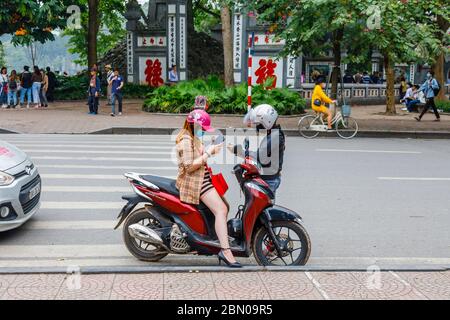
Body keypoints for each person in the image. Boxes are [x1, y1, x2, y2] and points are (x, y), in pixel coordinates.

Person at [175, 110, 241, 268]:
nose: (203, 130)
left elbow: (200, 156)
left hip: (203, 178)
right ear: (193, 124)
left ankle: (216, 238)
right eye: (202, 127)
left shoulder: (193, 137)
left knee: (225, 206)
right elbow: (190, 166)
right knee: (221, 210)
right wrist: (208, 153)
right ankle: (225, 251)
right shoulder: (185, 139)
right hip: (195, 182)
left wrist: (213, 149)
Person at [231, 104, 286, 196]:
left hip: (269, 179)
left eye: (258, 123)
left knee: (262, 207)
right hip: (269, 176)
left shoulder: (275, 136)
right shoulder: (273, 134)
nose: (257, 126)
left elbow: (260, 156)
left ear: (267, 121)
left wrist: (240, 151)